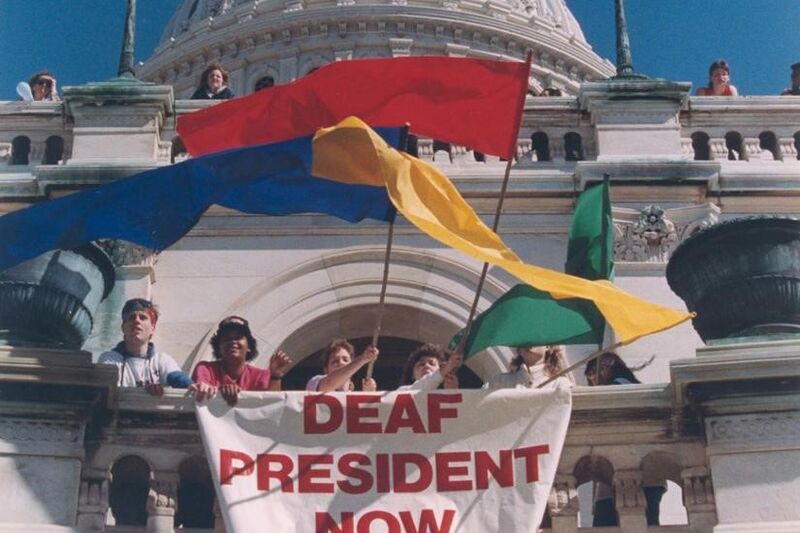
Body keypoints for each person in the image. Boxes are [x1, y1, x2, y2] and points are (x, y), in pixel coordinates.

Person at [584, 352, 665, 525]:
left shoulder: (613, 392)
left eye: (593, 371)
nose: (592, 378)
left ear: (609, 364)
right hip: (649, 475)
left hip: (624, 475)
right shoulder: (640, 389)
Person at [98, 298, 192, 395]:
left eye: (143, 317)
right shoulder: (110, 359)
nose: (136, 321)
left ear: (153, 328)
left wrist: (192, 386)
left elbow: (177, 378)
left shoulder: (161, 360)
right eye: (131, 317)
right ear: (123, 327)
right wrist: (144, 391)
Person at [191, 316, 291, 405]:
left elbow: (271, 405)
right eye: (227, 339)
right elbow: (202, 392)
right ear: (219, 347)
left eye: (238, 337)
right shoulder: (205, 369)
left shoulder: (262, 376)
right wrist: (220, 393)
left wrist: (275, 376)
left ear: (249, 346)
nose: (233, 342)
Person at [485, 345, 574, 390]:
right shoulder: (499, 382)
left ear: (547, 346)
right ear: (519, 349)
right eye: (526, 338)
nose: (530, 342)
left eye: (536, 336)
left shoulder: (560, 385)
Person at [305, 339, 378, 392]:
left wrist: (369, 396)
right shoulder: (315, 382)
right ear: (326, 369)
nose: (341, 363)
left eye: (345, 360)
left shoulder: (354, 397)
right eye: (335, 361)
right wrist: (363, 358)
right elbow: (330, 383)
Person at [397, 343, 462, 391]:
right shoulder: (402, 391)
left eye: (432, 363)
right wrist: (447, 367)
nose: (426, 366)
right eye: (421, 364)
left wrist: (452, 393)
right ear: (412, 375)